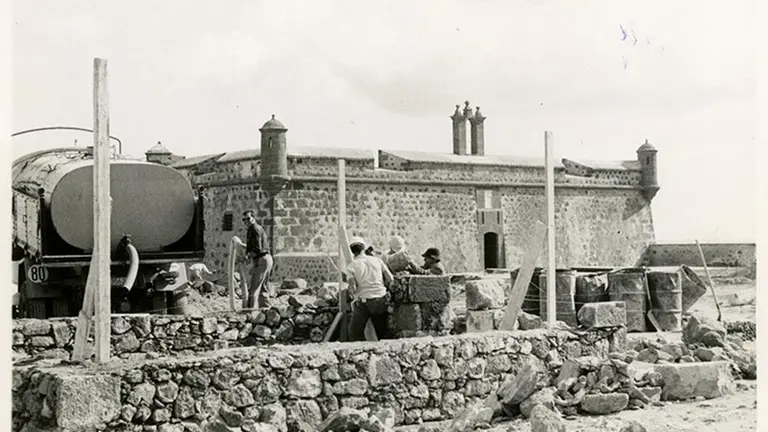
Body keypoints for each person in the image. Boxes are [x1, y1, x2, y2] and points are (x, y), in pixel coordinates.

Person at [345, 237, 393, 341]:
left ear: (352, 251)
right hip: (381, 299)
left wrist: (352, 296)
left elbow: (352, 287)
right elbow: (390, 278)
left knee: (355, 333)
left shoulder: (351, 266)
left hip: (365, 302)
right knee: (382, 332)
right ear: (363, 248)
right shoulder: (377, 260)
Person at [239, 209, 273, 309]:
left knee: (254, 288)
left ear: (253, 218)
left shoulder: (254, 229)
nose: (246, 221)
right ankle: (266, 310)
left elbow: (258, 248)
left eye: (248, 218)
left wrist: (247, 257)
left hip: (262, 259)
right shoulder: (255, 229)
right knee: (263, 288)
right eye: (244, 219)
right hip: (267, 259)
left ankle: (250, 312)